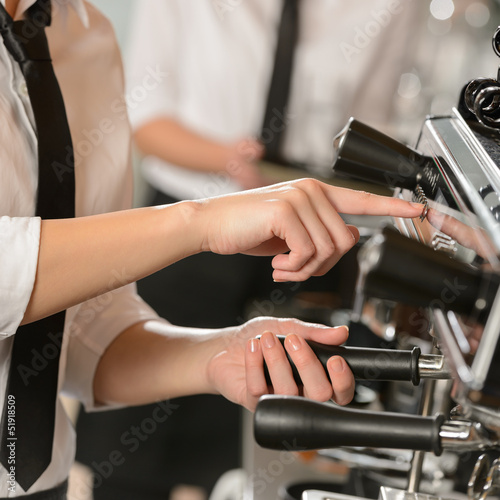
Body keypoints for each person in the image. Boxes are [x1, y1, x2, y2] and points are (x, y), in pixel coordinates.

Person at [0, 0, 424, 498]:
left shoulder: (86, 34)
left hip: (37, 483)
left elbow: (81, 322)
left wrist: (215, 356)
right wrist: (200, 220)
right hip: (198, 219)